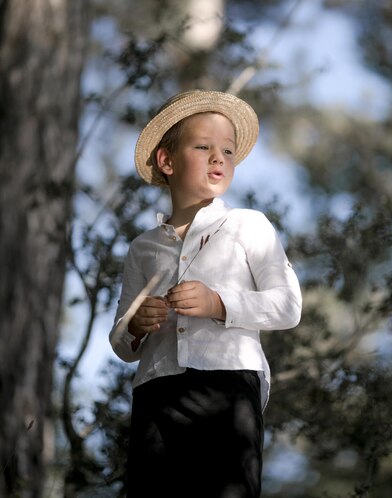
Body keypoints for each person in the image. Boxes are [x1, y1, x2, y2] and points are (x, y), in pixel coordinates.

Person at [109, 89, 302, 498]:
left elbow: (288, 305)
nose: (219, 158)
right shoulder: (143, 247)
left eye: (228, 151)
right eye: (203, 146)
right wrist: (136, 327)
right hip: (155, 391)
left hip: (229, 386)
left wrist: (218, 303)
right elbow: (122, 341)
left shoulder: (249, 225)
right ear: (166, 160)